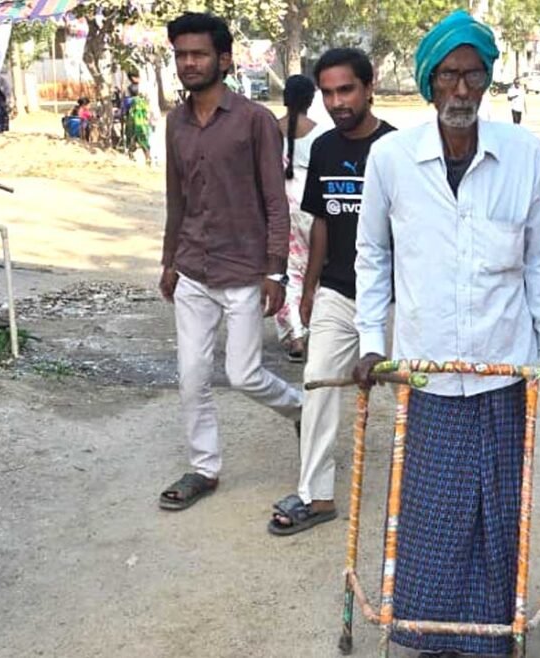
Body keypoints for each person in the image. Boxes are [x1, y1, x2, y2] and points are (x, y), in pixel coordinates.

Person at [352, 10, 540, 656]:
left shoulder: (524, 155)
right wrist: (373, 341)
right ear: (428, 85)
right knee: (430, 517)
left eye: (472, 76)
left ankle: (490, 637)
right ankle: (427, 633)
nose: (460, 90)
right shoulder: (393, 159)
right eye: (448, 76)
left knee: (499, 513)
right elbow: (373, 257)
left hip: (506, 371)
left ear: (487, 81)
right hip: (427, 375)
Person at [157, 12, 303, 511]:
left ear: (223, 59)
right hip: (193, 267)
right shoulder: (175, 123)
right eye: (181, 55)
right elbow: (176, 197)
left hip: (244, 269)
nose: (189, 63)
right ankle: (204, 467)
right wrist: (168, 259)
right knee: (192, 375)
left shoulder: (255, 121)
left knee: (243, 374)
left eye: (198, 54)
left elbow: (275, 201)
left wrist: (275, 269)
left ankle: (301, 409)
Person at [267, 50, 396, 535]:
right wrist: (309, 287)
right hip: (339, 293)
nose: (338, 101)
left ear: (369, 86)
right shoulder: (322, 148)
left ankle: (427, 493)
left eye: (346, 90)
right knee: (318, 382)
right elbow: (321, 219)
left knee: (421, 392)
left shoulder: (397, 150)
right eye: (328, 92)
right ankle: (315, 495)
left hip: (397, 300)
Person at [273, 74, 320, 363]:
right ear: (311, 100)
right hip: (311, 206)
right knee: (312, 271)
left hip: (279, 204)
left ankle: (295, 336)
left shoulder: (270, 129)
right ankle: (312, 323)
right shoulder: (320, 133)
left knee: (285, 271)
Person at [124, 83, 155, 164]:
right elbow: (147, 111)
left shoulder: (128, 101)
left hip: (133, 123)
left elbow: (125, 111)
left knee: (132, 139)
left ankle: (131, 154)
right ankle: (148, 158)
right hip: (143, 124)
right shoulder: (142, 101)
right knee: (144, 140)